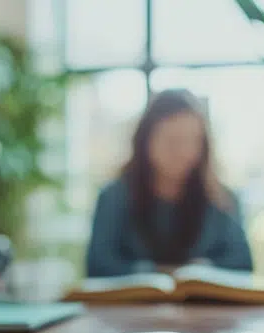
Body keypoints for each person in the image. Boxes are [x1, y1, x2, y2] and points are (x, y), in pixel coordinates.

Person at [85, 89, 252, 277]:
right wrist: (161, 273)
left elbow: (243, 265)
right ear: (145, 141)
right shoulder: (113, 197)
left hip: (207, 306)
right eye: (173, 141)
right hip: (131, 306)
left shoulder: (223, 199)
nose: (185, 152)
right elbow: (98, 266)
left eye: (193, 141)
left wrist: (203, 270)